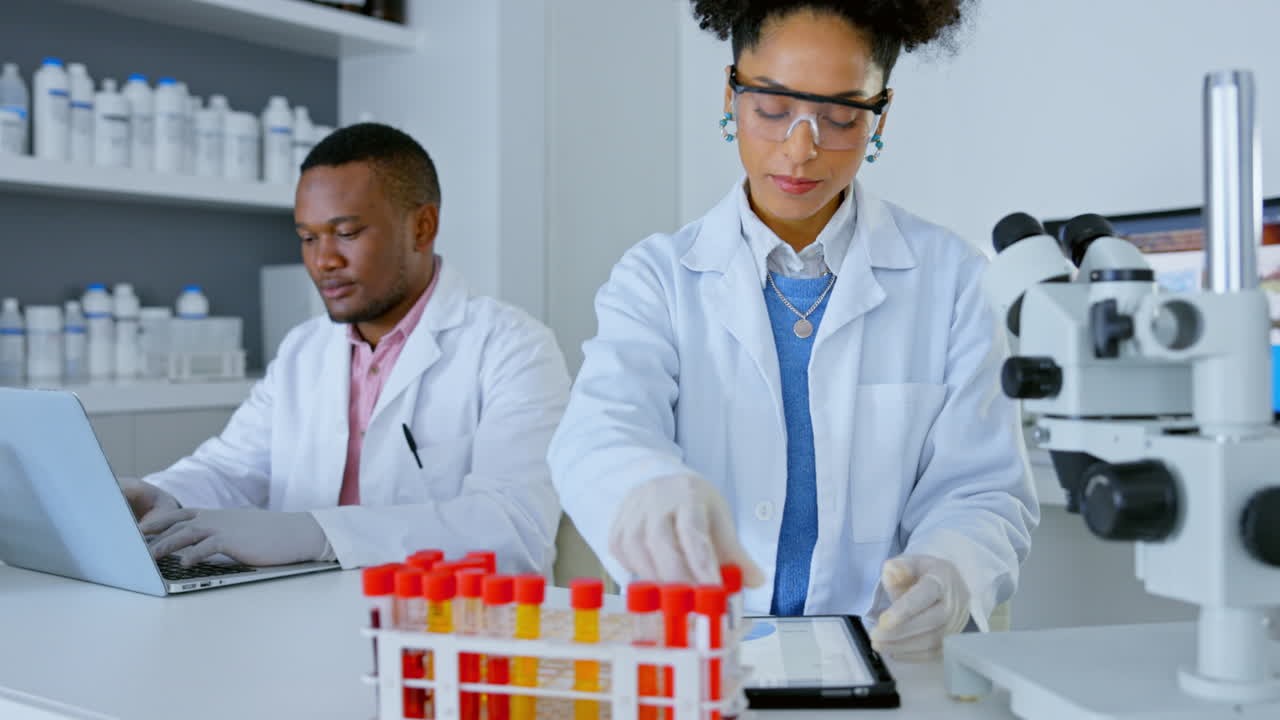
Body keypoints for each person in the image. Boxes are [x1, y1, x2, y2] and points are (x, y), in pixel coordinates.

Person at [549, 0, 1038, 661]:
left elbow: (982, 488)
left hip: (883, 656)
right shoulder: (659, 277)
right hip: (701, 652)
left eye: (840, 116)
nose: (801, 149)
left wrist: (951, 570)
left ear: (880, 115)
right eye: (773, 109)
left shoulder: (951, 278)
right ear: (731, 95)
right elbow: (597, 433)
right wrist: (644, 485)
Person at [123, 123, 570, 574]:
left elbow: (513, 528)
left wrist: (317, 533)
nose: (324, 261)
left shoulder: (513, 347)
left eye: (348, 233)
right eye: (308, 237)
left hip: (443, 623)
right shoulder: (304, 348)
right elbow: (233, 468)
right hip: (303, 611)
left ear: (423, 226)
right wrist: (159, 496)